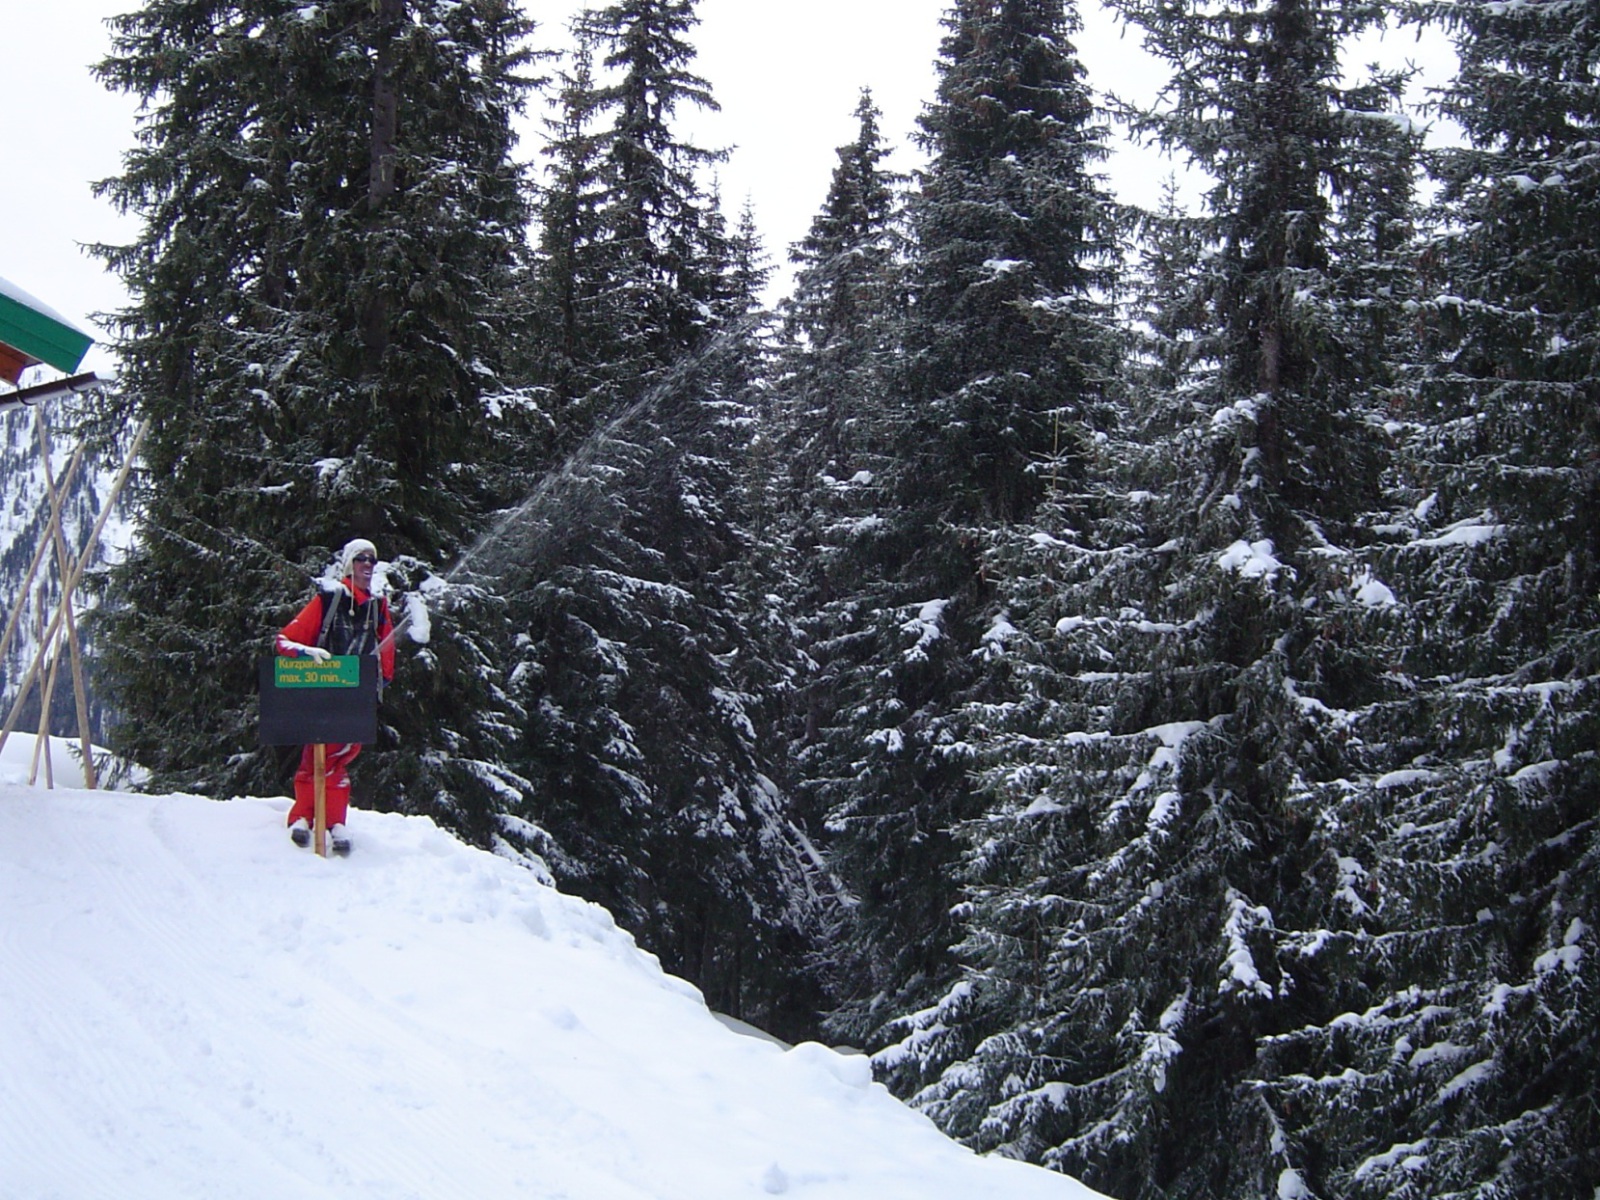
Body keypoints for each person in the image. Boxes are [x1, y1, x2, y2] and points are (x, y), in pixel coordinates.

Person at [275, 537, 395, 854]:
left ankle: (333, 820)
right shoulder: (329, 600)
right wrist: (307, 654)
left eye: (372, 560)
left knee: (342, 755)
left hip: (357, 693)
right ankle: (304, 816)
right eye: (361, 559)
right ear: (349, 564)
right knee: (317, 754)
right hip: (322, 690)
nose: (367, 565)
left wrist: (380, 682)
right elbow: (285, 641)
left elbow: (387, 645)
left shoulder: (377, 605)